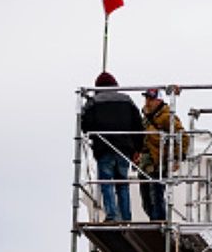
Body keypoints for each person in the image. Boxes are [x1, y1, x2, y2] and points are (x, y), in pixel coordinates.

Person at [81, 72, 144, 222]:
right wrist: (137, 148)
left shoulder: (94, 102)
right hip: (124, 149)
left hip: (104, 149)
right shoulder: (127, 100)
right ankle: (126, 217)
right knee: (122, 184)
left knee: (106, 182)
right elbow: (139, 126)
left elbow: (85, 125)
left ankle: (112, 216)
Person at [137, 87, 189, 221]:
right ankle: (156, 223)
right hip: (144, 165)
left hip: (158, 164)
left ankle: (159, 225)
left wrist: (178, 157)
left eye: (151, 99)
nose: (148, 101)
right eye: (147, 98)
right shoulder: (146, 118)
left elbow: (183, 136)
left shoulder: (166, 117)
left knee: (156, 198)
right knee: (146, 202)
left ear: (159, 100)